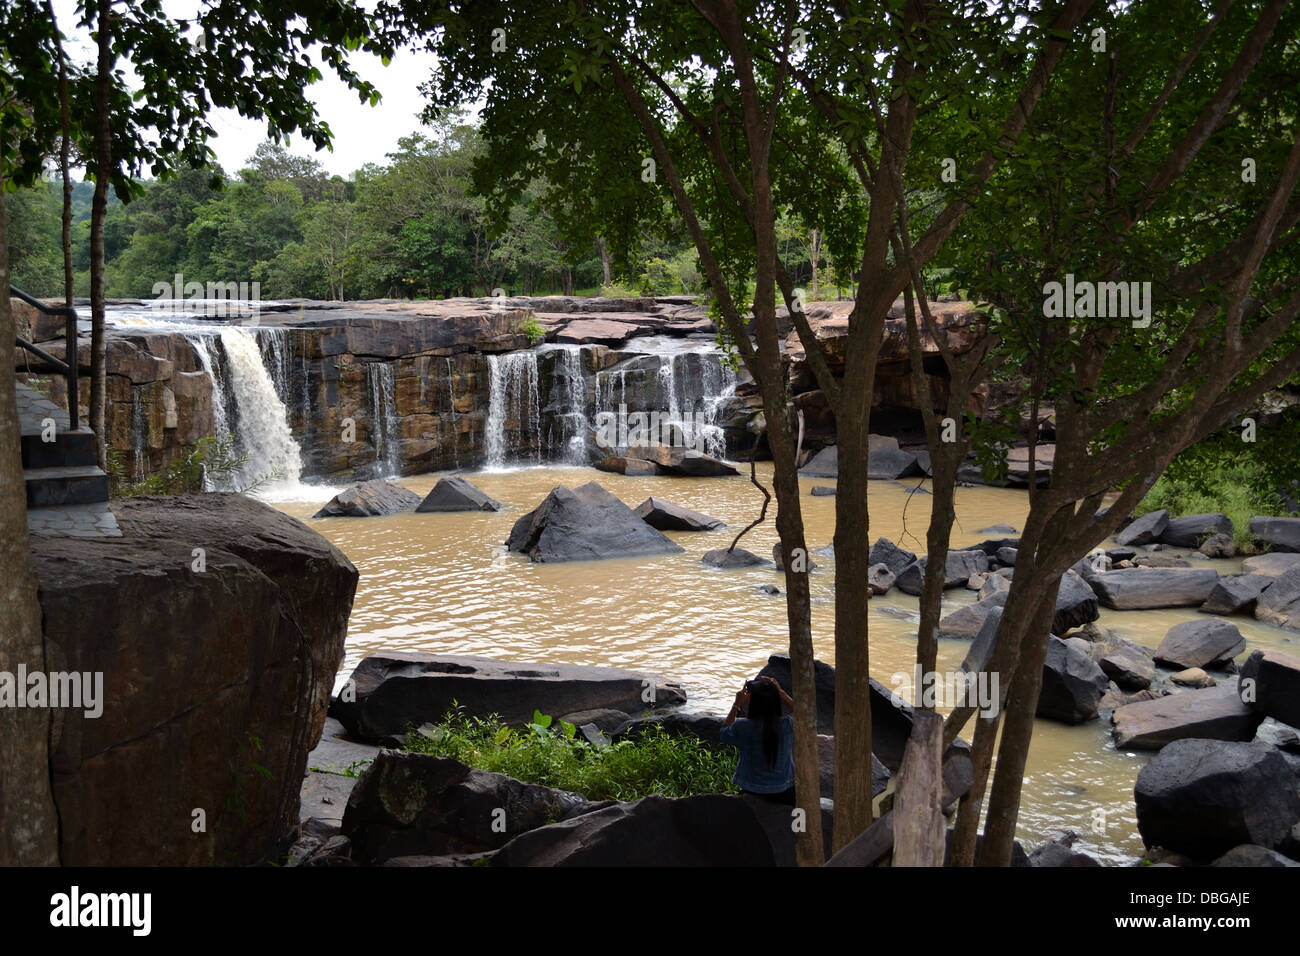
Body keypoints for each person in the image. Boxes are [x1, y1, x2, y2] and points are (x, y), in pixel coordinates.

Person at [719, 675, 796, 804]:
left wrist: (736, 704)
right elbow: (804, 714)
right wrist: (781, 693)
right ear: (776, 701)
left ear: (751, 701)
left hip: (752, 789)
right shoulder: (787, 725)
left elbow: (724, 734)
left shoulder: (742, 726)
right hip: (784, 789)